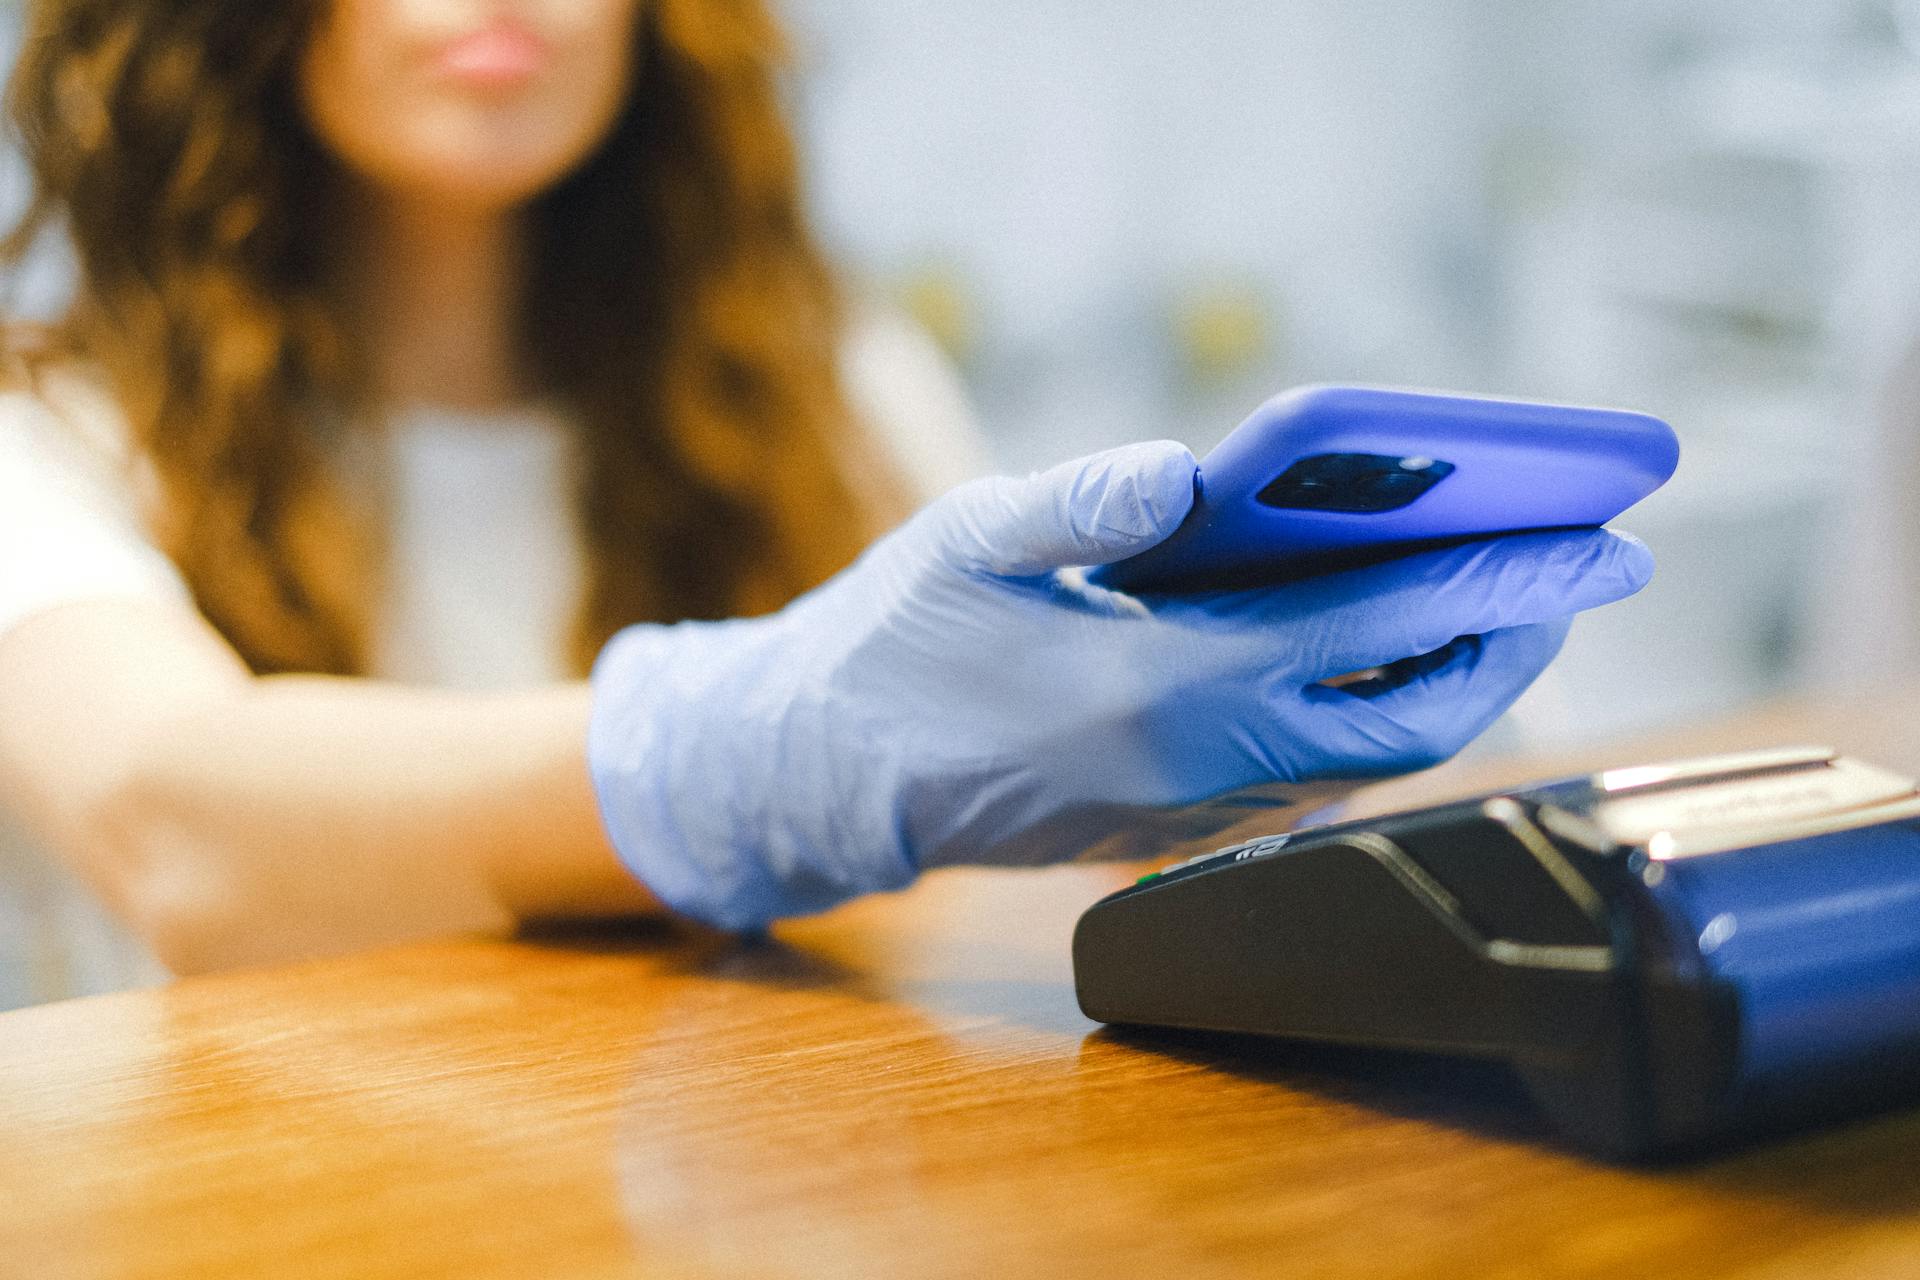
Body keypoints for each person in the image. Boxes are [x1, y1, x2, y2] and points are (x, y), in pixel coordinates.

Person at [0, 0, 1651, 995]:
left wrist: (1246, 750)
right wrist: (752, 753)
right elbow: (170, 825)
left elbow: (1035, 831)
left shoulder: (819, 381)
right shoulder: (47, 429)